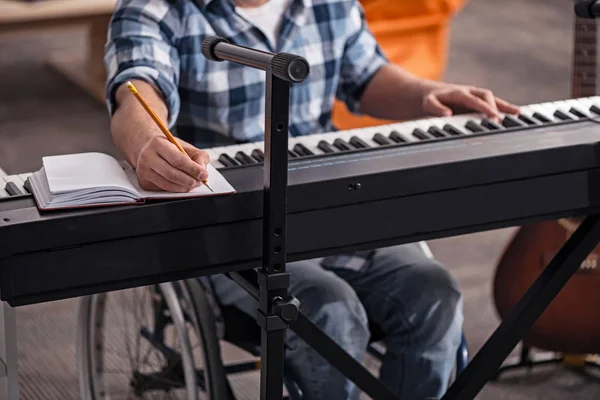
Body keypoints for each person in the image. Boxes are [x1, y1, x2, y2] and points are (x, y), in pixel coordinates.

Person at [103, 0, 519, 399]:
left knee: (435, 291)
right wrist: (148, 142)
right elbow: (136, 91)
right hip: (235, 231)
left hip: (332, 204)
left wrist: (428, 94)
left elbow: (367, 76)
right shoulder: (154, 7)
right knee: (328, 308)